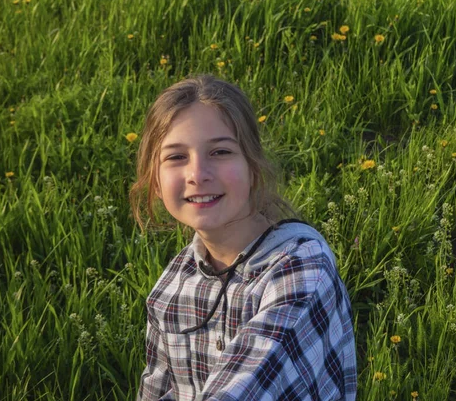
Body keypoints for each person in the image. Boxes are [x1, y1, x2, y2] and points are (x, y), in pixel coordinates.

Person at [130, 75, 357, 400]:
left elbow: (247, 386)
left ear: (252, 166)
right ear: (155, 181)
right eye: (176, 157)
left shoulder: (302, 270)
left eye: (220, 152)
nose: (197, 174)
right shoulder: (170, 290)